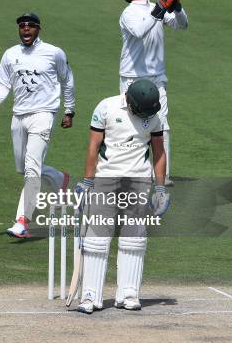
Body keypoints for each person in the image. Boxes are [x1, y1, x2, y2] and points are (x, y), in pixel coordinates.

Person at [73, 78, 171, 314]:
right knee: (96, 240)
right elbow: (93, 147)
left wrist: (159, 189)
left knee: (134, 240)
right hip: (106, 179)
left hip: (138, 181)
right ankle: (90, 296)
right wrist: (87, 181)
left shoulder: (155, 117)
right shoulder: (106, 107)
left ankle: (129, 293)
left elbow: (159, 152)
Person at [0, 12, 76, 238]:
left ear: (38, 29)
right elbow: (3, 84)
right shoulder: (10, 54)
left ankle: (22, 221)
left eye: (31, 26)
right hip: (19, 116)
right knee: (23, 168)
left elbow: (67, 80)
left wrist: (69, 110)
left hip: (43, 114)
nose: (26, 29)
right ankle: (57, 178)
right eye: (22, 26)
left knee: (32, 168)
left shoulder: (53, 53)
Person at [119, 0, 188, 186]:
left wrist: (176, 5)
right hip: (132, 78)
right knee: (131, 125)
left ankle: (162, 175)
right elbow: (139, 31)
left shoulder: (154, 8)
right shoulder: (128, 13)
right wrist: (160, 5)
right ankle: (132, 171)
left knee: (162, 125)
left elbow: (181, 24)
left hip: (157, 79)